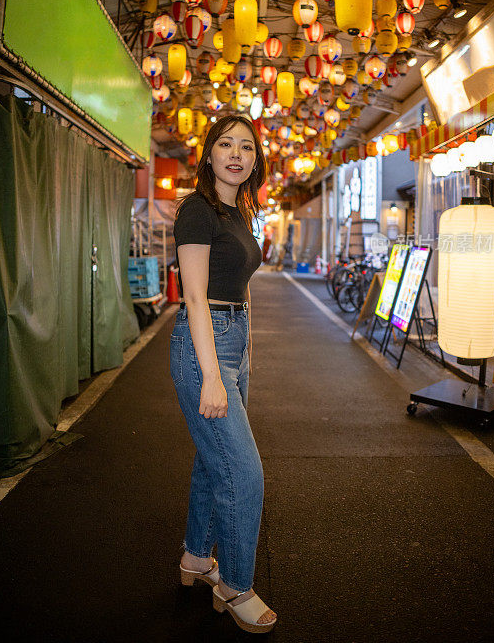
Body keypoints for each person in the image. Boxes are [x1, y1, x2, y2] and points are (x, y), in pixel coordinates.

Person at [171, 114, 277, 634]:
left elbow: (240, 281)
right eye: (226, 144)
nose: (237, 154)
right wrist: (213, 376)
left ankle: (196, 558)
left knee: (211, 463)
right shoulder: (197, 210)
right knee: (245, 473)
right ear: (209, 154)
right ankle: (234, 585)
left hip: (234, 341)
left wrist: (247, 345)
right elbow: (194, 297)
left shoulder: (240, 211)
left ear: (255, 161)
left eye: (247, 147)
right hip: (202, 346)